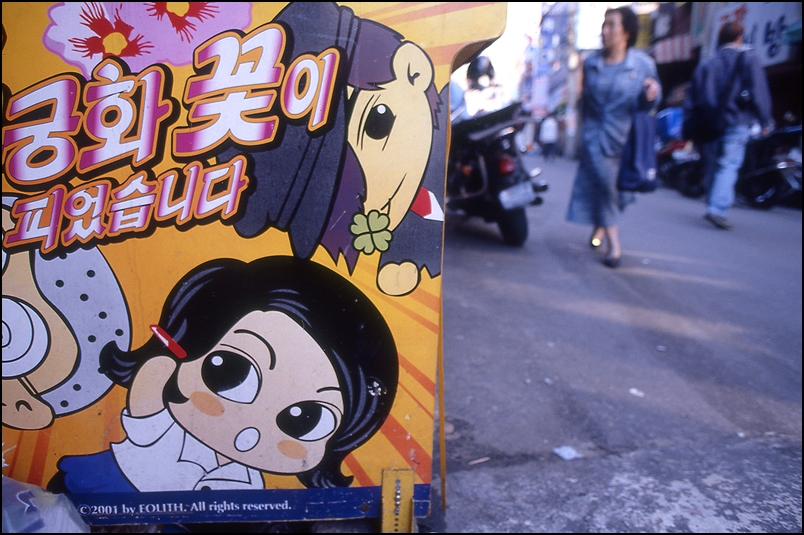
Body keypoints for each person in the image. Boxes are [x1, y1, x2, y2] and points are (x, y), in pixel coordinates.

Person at [48, 256, 398, 492]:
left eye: (306, 419)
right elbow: (151, 385)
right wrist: (159, 366)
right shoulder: (161, 427)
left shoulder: (248, 484)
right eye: (231, 371)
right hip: (111, 489)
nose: (251, 430)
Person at [566, 6, 661, 267]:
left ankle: (600, 226)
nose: (604, 31)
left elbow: (651, 101)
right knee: (607, 188)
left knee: (623, 192)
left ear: (627, 32)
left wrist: (651, 94)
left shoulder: (642, 64)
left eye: (611, 25)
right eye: (603, 25)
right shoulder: (592, 63)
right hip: (597, 137)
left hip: (628, 139)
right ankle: (614, 247)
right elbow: (585, 102)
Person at [687, 21, 773, 230]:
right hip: (737, 121)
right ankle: (717, 209)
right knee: (729, 165)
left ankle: (711, 202)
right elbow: (759, 92)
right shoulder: (748, 59)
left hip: (709, 124)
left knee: (712, 164)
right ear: (739, 38)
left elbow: (692, 97)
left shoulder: (706, 64)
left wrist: (689, 125)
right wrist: (765, 120)